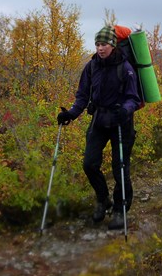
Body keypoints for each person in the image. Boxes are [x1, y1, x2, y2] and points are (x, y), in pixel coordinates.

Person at [57, 25, 141, 230]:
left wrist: (126, 110)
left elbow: (133, 97)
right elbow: (82, 96)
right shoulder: (91, 66)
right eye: (97, 44)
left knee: (120, 168)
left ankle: (121, 210)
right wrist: (70, 114)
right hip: (99, 120)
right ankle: (103, 200)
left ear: (112, 45)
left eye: (103, 44)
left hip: (121, 122)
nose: (100, 48)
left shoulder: (126, 67)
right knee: (89, 164)